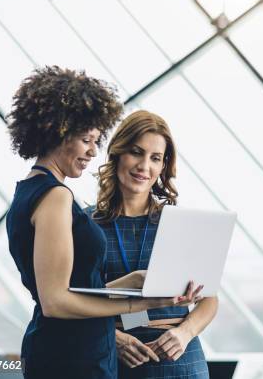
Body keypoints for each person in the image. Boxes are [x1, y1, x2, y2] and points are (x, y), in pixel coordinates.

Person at [6, 67, 201, 379]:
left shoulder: (31, 190)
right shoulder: (55, 197)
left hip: (72, 351)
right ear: (59, 131)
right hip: (73, 357)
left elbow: (68, 289)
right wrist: (137, 303)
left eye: (96, 141)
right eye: (86, 140)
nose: (92, 152)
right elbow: (56, 301)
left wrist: (131, 282)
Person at [89, 110, 216, 378]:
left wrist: (184, 333)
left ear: (162, 167)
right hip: (115, 360)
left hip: (181, 362)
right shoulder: (85, 225)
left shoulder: (179, 223)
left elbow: (209, 300)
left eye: (155, 158)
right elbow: (72, 301)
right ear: (117, 153)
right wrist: (111, 337)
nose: (144, 166)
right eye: (136, 152)